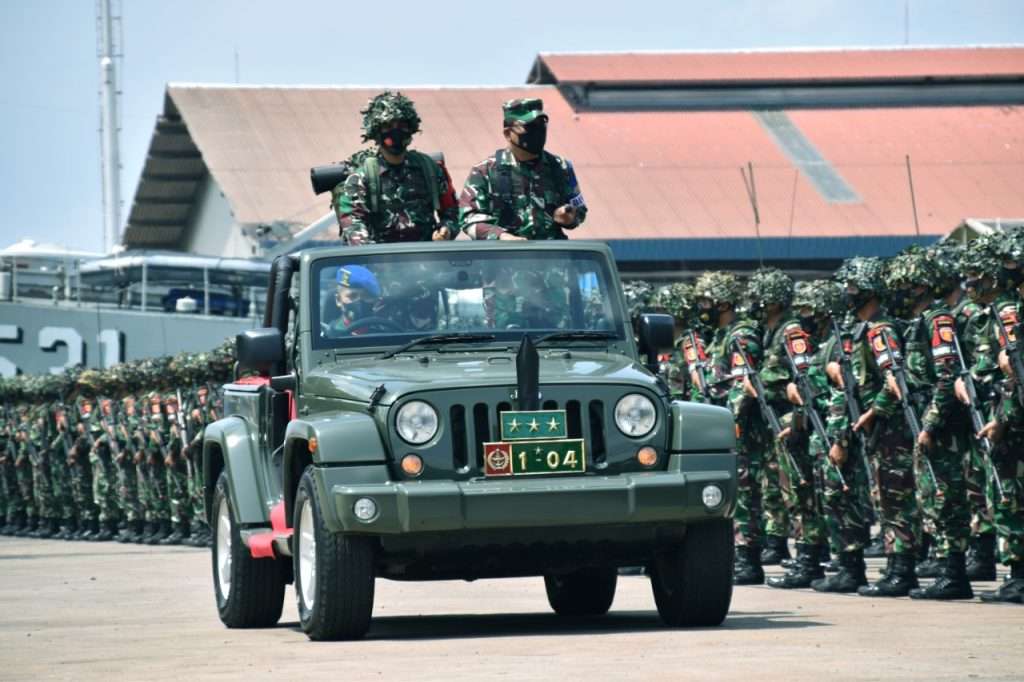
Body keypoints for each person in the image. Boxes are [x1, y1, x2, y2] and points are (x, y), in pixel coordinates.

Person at [333, 91, 458, 245]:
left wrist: (446, 230)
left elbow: (453, 213)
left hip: (427, 259)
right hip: (381, 262)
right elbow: (352, 224)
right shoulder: (362, 178)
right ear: (376, 131)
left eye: (402, 125)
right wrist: (370, 253)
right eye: (388, 126)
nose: (396, 132)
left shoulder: (430, 170)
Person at [460, 98, 586, 240]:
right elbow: (468, 218)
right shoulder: (485, 171)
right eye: (530, 127)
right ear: (508, 134)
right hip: (503, 257)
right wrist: (501, 236)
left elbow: (580, 211)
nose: (537, 132)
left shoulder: (560, 167)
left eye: (541, 125)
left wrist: (569, 217)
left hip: (551, 256)